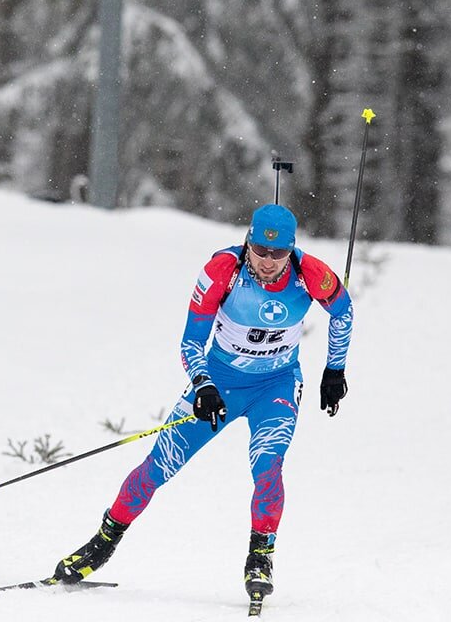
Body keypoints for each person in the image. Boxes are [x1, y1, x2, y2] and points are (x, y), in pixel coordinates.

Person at [51, 203, 353, 603]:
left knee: (268, 466)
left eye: (277, 254)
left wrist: (335, 371)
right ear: (248, 241)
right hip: (220, 383)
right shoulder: (221, 272)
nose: (266, 262)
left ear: (291, 250)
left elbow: (343, 312)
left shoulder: (310, 273)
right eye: (259, 250)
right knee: (159, 466)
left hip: (276, 386)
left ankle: (260, 556)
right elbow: (191, 342)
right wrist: (203, 385)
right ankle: (104, 540)